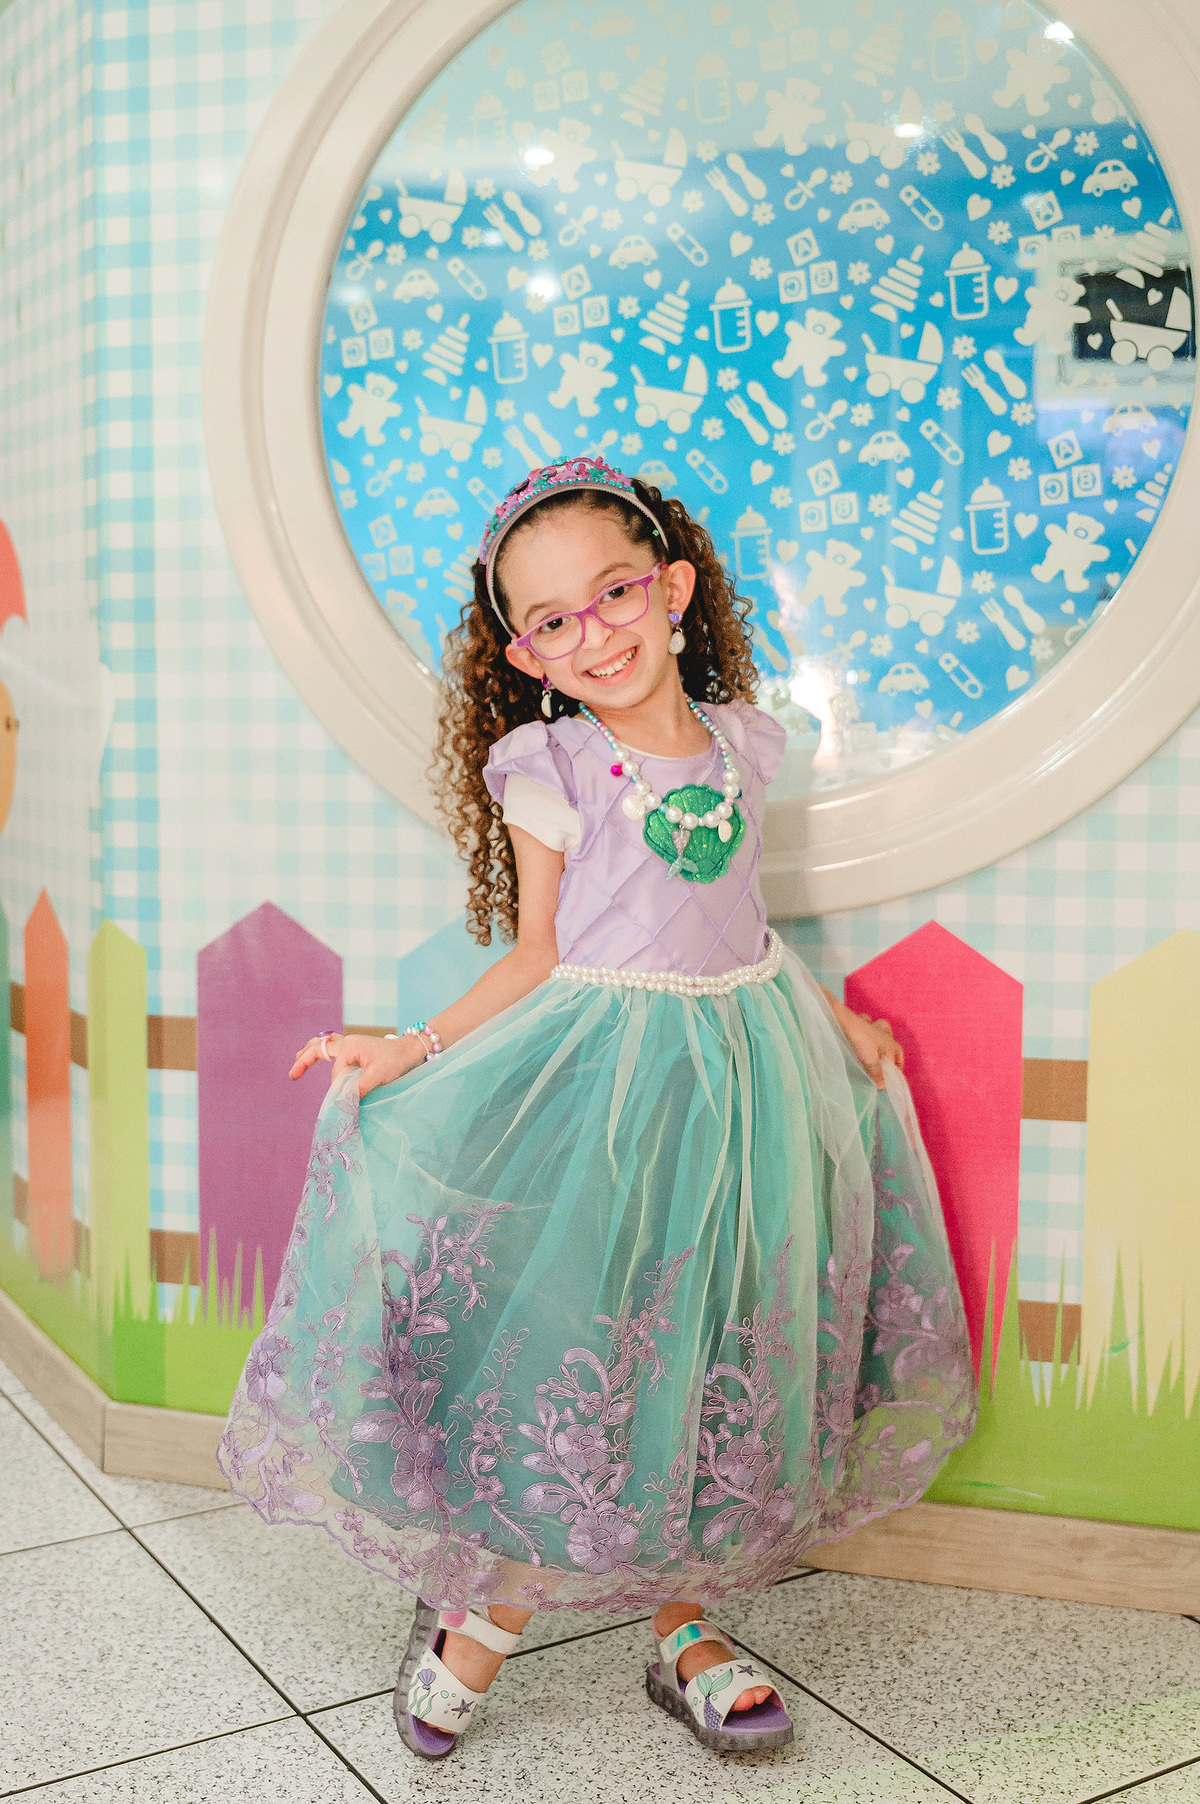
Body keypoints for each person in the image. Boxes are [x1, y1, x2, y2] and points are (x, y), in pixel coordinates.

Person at [218, 455, 977, 1762]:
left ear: (672, 589)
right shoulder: (552, 764)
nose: (594, 632)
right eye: (553, 619)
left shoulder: (741, 744)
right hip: (604, 1094)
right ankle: (486, 1616)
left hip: (743, 1086)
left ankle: (685, 1626)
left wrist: (830, 1014)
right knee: (586, 1353)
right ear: (526, 654)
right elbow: (538, 955)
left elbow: (741, 918)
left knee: (713, 1344)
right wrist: (411, 1047)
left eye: (614, 592)